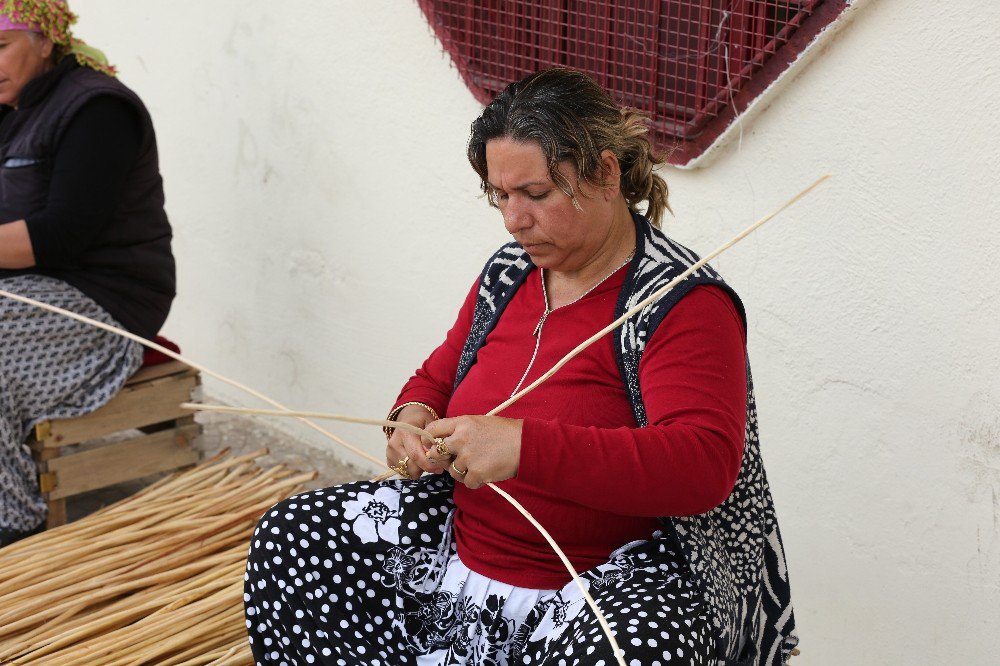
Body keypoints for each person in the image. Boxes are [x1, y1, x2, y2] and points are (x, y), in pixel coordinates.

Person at [245, 68, 797, 664]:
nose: (513, 220)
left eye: (535, 195)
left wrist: (523, 447)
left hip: (595, 592)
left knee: (636, 652)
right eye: (499, 196)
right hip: (458, 550)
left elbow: (701, 465)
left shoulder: (680, 301)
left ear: (606, 174)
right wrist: (411, 418)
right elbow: (440, 374)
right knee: (292, 536)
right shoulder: (510, 272)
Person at [0, 0, 175, 546]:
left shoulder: (98, 110)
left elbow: (60, 236)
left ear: (46, 39)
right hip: (25, 285)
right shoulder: (10, 105)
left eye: (0, 46)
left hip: (103, 300)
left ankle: (14, 520)